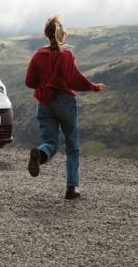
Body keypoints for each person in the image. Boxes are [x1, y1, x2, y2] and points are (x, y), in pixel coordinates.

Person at [24, 15, 106, 199]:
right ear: (62, 35)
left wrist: (43, 84)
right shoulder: (66, 54)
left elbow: (29, 81)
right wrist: (93, 86)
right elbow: (74, 79)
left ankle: (41, 154)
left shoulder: (38, 54)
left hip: (44, 104)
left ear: (47, 34)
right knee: (72, 145)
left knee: (50, 142)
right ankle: (72, 188)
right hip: (65, 103)